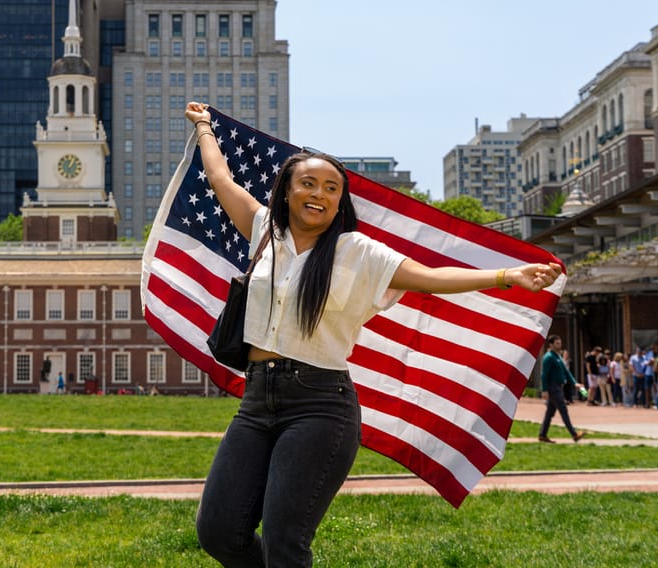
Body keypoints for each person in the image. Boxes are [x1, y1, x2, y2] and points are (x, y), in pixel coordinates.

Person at [184, 101, 563, 567]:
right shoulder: (264, 229)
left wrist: (506, 276)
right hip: (256, 400)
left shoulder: (357, 251)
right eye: (308, 183)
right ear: (287, 191)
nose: (318, 194)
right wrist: (205, 126)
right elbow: (222, 180)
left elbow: (431, 276)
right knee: (218, 530)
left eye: (331, 188)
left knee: (285, 541)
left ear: (340, 201)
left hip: (320, 406)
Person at [538, 335, 587, 444]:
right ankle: (574, 434)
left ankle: (542, 435)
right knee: (563, 410)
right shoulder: (548, 357)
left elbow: (566, 372)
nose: (559, 345)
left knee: (549, 413)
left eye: (560, 343)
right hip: (553, 388)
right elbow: (544, 375)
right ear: (551, 344)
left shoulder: (558, 356)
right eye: (557, 343)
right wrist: (545, 390)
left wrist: (575, 383)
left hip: (559, 387)